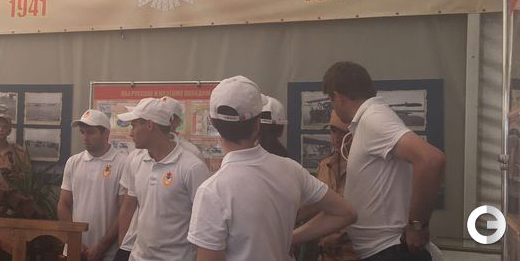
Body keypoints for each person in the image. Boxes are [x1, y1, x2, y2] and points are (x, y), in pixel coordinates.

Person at [188, 75, 357, 261]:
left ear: (213, 123)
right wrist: (288, 238)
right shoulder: (291, 170)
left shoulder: (212, 191)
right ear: (257, 124)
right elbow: (347, 213)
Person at [323, 61, 446, 260]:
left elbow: (431, 160)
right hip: (383, 251)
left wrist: (418, 225)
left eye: (331, 102)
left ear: (338, 97)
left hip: (390, 251)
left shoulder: (373, 118)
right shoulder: (368, 120)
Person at [117, 97, 210, 261]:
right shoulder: (137, 161)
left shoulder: (192, 167)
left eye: (134, 125)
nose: (130, 133)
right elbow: (129, 207)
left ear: (149, 125)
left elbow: (206, 224)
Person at [58, 109, 127, 261]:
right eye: (82, 132)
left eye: (90, 132)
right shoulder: (73, 162)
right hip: (75, 249)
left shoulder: (123, 163)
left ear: (106, 133)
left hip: (108, 253)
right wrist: (75, 240)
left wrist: (101, 247)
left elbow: (124, 211)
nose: (85, 137)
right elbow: (63, 204)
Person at [315, 111, 359, 261]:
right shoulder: (324, 166)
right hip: (325, 253)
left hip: (353, 254)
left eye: (343, 133)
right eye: (333, 131)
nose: (337, 138)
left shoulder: (364, 171)